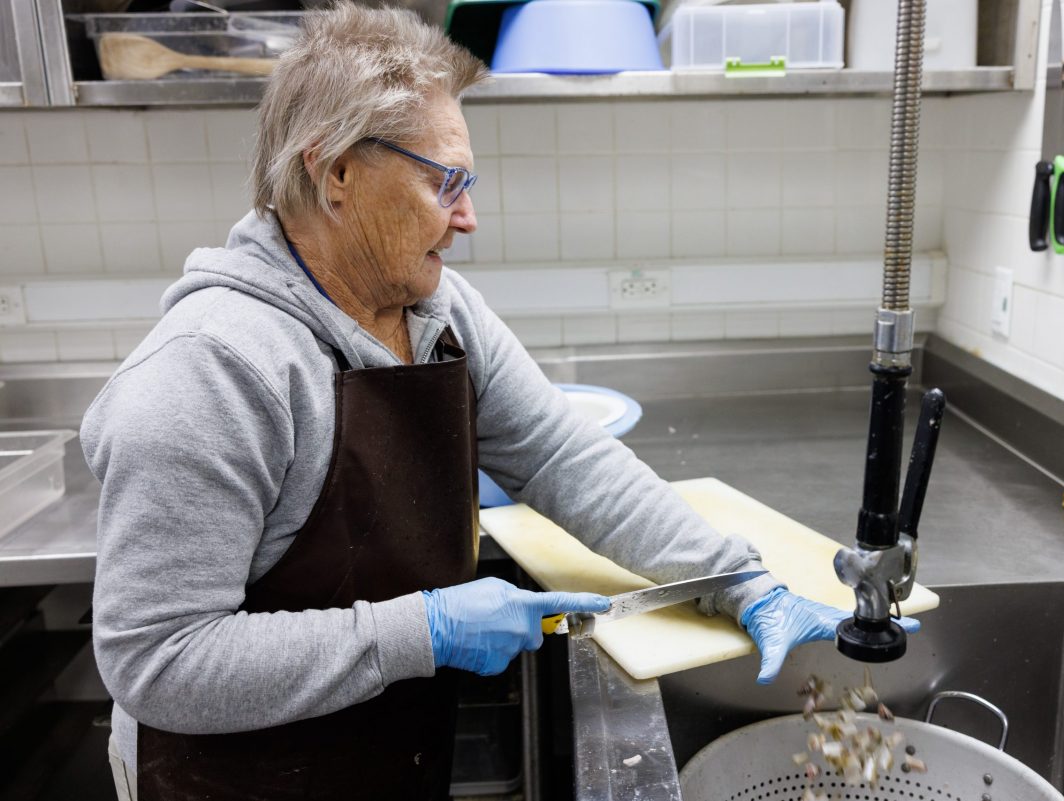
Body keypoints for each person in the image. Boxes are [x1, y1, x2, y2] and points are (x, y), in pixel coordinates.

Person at [81, 5, 917, 800]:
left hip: (383, 754)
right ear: (336, 172)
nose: (470, 217)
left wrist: (734, 575)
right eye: (446, 183)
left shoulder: (441, 315)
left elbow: (562, 456)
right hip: (231, 780)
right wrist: (426, 631)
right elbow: (160, 658)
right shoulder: (211, 373)